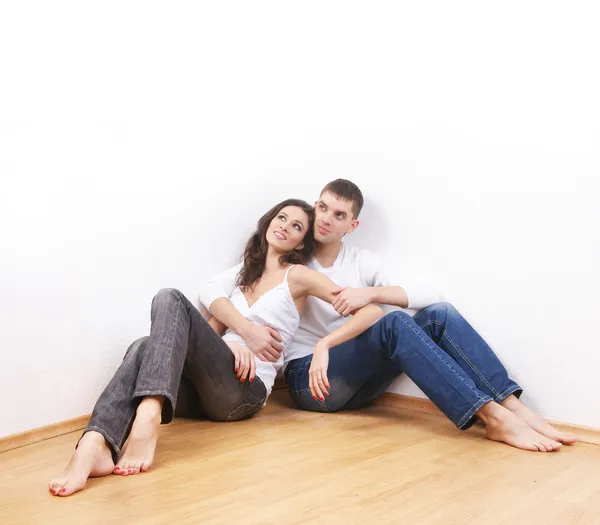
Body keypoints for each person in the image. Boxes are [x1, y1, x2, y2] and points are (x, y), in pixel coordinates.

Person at [203, 180, 578, 453]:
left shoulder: (361, 263)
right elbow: (213, 290)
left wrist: (370, 294)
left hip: (352, 372)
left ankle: (511, 406)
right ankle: (492, 417)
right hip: (309, 379)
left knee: (437, 315)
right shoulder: (289, 259)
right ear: (313, 207)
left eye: (339, 214)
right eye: (321, 208)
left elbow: (431, 296)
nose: (326, 220)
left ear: (353, 225)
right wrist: (316, 344)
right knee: (395, 322)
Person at [49, 198, 383, 497]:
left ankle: (146, 419)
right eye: (281, 217)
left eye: (297, 226)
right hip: (214, 387)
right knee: (143, 346)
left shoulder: (297, 276)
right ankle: (96, 443)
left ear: (301, 242)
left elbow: (371, 311)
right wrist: (235, 338)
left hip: (245, 392)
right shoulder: (242, 277)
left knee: (169, 297)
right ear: (268, 221)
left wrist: (325, 344)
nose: (285, 226)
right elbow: (198, 340)